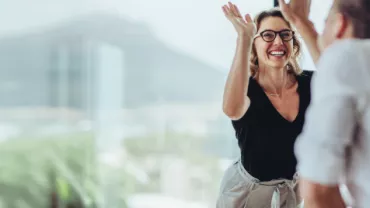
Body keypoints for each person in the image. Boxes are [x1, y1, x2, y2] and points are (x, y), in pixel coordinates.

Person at [217, 1, 317, 207]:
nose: (278, 41)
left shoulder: (310, 83)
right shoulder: (246, 89)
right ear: (255, 43)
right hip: (245, 195)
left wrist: (304, 22)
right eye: (268, 35)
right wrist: (243, 37)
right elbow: (232, 110)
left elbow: (347, 84)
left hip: (290, 193)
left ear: (293, 42)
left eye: (285, 34)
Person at [292, 0, 370, 207]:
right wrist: (304, 26)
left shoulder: (348, 55)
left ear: (340, 24)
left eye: (325, 22)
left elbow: (317, 189)